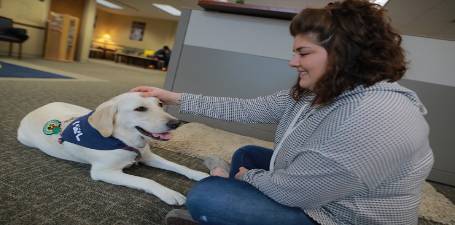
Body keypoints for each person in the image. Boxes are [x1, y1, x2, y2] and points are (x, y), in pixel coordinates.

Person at [131, 0, 434, 224]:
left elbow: (300, 194)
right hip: (322, 191)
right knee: (249, 153)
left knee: (207, 197)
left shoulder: (377, 117)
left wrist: (252, 179)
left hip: (341, 217)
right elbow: (249, 109)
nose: (293, 62)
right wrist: (173, 97)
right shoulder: (327, 90)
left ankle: (222, 200)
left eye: (303, 53)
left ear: (346, 54)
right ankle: (231, 192)